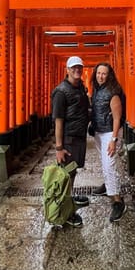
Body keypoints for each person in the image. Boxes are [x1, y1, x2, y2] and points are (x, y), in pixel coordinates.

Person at [51, 55, 90, 227]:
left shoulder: (80, 86)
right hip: (68, 140)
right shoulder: (61, 92)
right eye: (73, 67)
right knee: (66, 176)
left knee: (72, 173)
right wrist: (59, 148)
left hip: (79, 138)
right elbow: (58, 121)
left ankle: (70, 199)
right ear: (67, 70)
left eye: (79, 68)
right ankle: (66, 214)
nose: (77, 70)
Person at [90, 62, 127, 222]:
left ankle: (117, 201)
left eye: (104, 73)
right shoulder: (97, 90)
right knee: (104, 162)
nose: (101, 76)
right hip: (99, 131)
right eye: (98, 73)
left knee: (109, 164)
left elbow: (117, 118)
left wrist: (114, 139)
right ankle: (107, 185)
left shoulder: (113, 92)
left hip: (109, 134)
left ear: (109, 75)